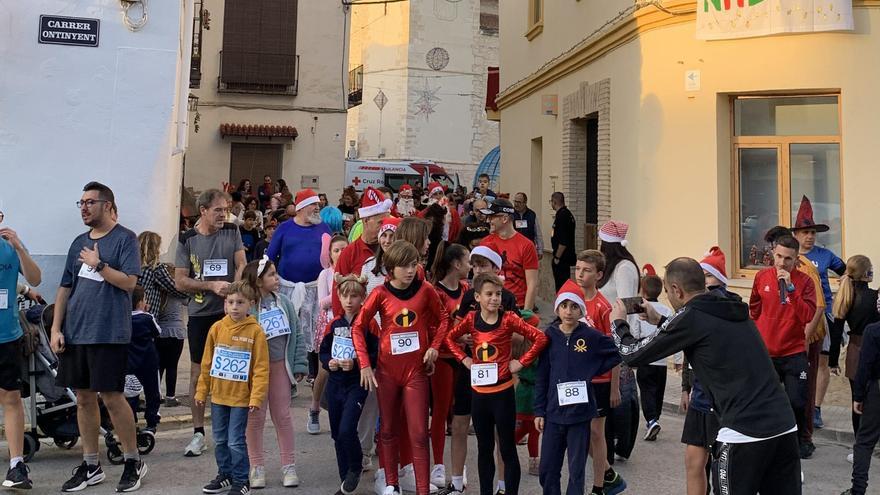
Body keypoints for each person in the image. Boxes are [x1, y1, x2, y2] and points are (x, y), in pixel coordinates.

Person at [612, 257, 801, 494]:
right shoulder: (728, 307)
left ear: (676, 290)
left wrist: (619, 322)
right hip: (784, 425)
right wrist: (659, 320)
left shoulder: (690, 317)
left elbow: (632, 354)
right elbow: (704, 335)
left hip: (742, 432)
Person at [50, 182, 146, 492]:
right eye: (80, 203)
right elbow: (66, 287)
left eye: (90, 202)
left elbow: (130, 282)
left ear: (107, 205)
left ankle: (133, 460)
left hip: (108, 332)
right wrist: (56, 328)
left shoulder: (125, 240)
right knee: (83, 399)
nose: (84, 208)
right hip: (77, 332)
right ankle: (91, 464)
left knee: (112, 397)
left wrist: (100, 264)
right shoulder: (79, 241)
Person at [353, 241, 449, 495]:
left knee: (418, 432)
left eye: (414, 263)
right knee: (387, 429)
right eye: (404, 265)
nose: (410, 270)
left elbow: (443, 320)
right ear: (390, 268)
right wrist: (364, 364)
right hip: (387, 371)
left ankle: (421, 489)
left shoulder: (426, 290)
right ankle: (392, 484)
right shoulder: (380, 294)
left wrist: (435, 347)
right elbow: (357, 327)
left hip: (415, 371)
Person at [445, 272, 548, 495]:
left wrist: (520, 363)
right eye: (489, 294)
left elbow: (540, 338)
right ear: (478, 298)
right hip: (479, 395)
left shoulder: (509, 318)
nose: (494, 299)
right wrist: (465, 359)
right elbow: (449, 338)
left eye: (498, 294)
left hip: (503, 394)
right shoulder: (471, 319)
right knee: (484, 449)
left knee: (508, 448)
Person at [175, 188, 246, 457]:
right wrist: (211, 286)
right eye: (217, 209)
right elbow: (180, 280)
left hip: (230, 312)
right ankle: (198, 432)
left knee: (232, 369)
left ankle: (231, 429)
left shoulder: (231, 231)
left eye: (225, 209)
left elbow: (241, 263)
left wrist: (235, 288)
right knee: (199, 372)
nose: (223, 214)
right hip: (200, 314)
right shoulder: (187, 239)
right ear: (203, 211)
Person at [535, 281, 621, 495]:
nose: (569, 312)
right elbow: (542, 375)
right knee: (547, 470)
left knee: (576, 471)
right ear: (557, 308)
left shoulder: (590, 336)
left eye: (574, 307)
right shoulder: (549, 336)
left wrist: (591, 369)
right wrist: (539, 410)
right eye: (564, 306)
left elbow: (617, 350)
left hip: (580, 415)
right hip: (554, 414)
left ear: (581, 310)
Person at [196, 281, 269, 495]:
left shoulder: (256, 332)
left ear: (251, 305)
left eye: (240, 302)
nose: (235, 307)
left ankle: (241, 479)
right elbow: (207, 363)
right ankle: (225, 474)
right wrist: (202, 391)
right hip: (218, 397)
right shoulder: (217, 328)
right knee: (219, 440)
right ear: (225, 304)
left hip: (240, 398)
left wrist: (256, 398)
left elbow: (261, 368)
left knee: (235, 441)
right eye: (230, 302)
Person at [242, 257, 308, 489]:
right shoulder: (247, 307)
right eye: (271, 274)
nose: (276, 278)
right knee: (255, 418)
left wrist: (299, 363)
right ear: (258, 281)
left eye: (275, 273)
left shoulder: (285, 303)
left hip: (280, 366)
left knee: (283, 416)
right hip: (256, 372)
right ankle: (256, 467)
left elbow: (298, 333)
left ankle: (289, 466)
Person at [749, 234, 817, 460]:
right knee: (762, 401)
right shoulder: (761, 277)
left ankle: (799, 442)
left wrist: (791, 289)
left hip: (793, 352)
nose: (781, 262)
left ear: (796, 259)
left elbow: (808, 314)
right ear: (773, 254)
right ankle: (764, 442)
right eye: (778, 256)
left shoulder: (805, 282)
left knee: (797, 401)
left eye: (787, 258)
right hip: (765, 352)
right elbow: (754, 308)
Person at [678, 246, 736, 495]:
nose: (703, 280)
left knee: (721, 471)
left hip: (722, 403)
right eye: (700, 275)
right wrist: (685, 388)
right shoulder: (693, 309)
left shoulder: (728, 305)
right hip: (700, 399)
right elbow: (689, 352)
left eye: (707, 275)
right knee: (693, 463)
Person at [765, 224, 826, 452]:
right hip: (773, 348)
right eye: (775, 252)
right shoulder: (766, 275)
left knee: (800, 397)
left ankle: (804, 439)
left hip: (800, 343)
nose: (779, 259)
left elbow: (817, 308)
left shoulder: (805, 270)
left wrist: (805, 340)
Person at [265, 188, 331, 396]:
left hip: (315, 289)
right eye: (314, 205)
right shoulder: (285, 228)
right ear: (302, 207)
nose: (317, 207)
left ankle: (314, 376)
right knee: (290, 332)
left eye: (318, 205)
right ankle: (289, 377)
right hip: (288, 289)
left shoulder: (324, 228)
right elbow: (270, 257)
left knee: (316, 333)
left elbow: (332, 257)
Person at [790, 196, 846, 432]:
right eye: (805, 232)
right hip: (795, 315)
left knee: (822, 362)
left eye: (813, 232)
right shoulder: (788, 255)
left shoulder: (825, 255)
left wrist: (843, 290)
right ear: (796, 235)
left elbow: (846, 273)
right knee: (795, 361)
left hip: (823, 315)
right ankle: (796, 407)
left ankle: (816, 409)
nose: (810, 236)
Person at [320, 274, 379, 495]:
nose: (349, 301)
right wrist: (330, 363)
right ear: (338, 296)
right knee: (336, 433)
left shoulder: (368, 323)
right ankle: (345, 480)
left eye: (354, 296)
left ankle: (355, 466)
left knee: (347, 429)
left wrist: (355, 363)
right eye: (345, 296)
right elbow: (324, 351)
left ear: (363, 298)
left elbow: (376, 354)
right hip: (335, 383)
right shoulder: (334, 324)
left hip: (357, 383)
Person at [572, 250, 625, 495]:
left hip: (600, 380)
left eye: (587, 270)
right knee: (579, 432)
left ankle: (599, 486)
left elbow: (612, 350)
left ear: (599, 275)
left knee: (596, 432)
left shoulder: (603, 307)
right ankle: (607, 475)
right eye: (578, 268)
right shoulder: (571, 302)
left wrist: (614, 387)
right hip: (577, 379)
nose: (580, 274)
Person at [0, 220, 41, 490]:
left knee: (11, 398)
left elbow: (35, 277)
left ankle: (17, 465)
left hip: (7, 335)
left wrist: (19, 247)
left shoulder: (10, 246)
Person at [429, 244, 471, 488]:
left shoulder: (466, 289)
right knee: (441, 412)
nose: (470, 266)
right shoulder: (437, 293)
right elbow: (434, 329)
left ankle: (458, 465)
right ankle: (438, 465)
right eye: (467, 261)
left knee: (459, 414)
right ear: (456, 264)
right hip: (444, 359)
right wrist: (456, 337)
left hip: (464, 359)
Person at [137, 231, 190, 407]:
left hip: (131, 317)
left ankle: (135, 395)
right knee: (150, 360)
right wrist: (192, 290)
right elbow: (175, 287)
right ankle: (153, 396)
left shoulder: (133, 269)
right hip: (149, 318)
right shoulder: (156, 269)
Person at [830, 256, 879, 442]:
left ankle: (860, 443)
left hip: (854, 352)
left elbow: (836, 333)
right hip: (874, 351)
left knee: (856, 400)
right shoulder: (875, 296)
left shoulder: (845, 297)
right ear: (866, 273)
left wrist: (833, 361)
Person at [479, 199, 539, 312]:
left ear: (505, 218)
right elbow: (480, 277)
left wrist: (527, 312)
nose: (488, 220)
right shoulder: (485, 243)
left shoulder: (526, 245)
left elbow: (532, 283)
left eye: (492, 217)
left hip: (517, 307)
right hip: (491, 307)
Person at [842, 319, 880, 495]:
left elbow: (864, 366)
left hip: (876, 390)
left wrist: (858, 395)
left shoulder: (873, 331)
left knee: (864, 442)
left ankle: (857, 490)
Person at [634, 273, 673, 442]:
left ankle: (651, 420)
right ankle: (655, 418)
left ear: (642, 291)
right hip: (662, 360)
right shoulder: (666, 310)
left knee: (647, 391)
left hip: (645, 358)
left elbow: (635, 333)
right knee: (658, 391)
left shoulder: (639, 310)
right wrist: (677, 361)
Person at [127, 287, 161, 435]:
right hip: (149, 360)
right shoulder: (147, 317)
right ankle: (151, 420)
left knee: (131, 393)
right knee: (152, 391)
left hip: (130, 361)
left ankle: (131, 421)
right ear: (141, 302)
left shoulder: (123, 319)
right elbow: (157, 331)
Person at [549, 192, 576, 292]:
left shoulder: (562, 216)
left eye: (551, 201)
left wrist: (557, 257)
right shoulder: (567, 214)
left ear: (554, 201)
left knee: (561, 286)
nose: (551, 204)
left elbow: (563, 241)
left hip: (562, 258)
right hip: (565, 257)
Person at [512, 193, 544, 257]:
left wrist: (540, 250)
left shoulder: (532, 215)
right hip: (514, 250)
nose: (516, 204)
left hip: (528, 250)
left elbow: (538, 233)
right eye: (515, 201)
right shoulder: (511, 214)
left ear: (525, 203)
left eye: (519, 202)